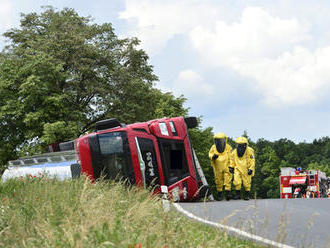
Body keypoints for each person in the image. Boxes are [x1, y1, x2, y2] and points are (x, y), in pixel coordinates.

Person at [209, 133, 233, 201]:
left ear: (225, 140)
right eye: (218, 140)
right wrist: (213, 156)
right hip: (217, 166)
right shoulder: (213, 147)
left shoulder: (228, 147)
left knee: (228, 178)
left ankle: (228, 193)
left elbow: (231, 156)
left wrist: (231, 166)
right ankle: (219, 195)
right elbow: (210, 154)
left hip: (227, 165)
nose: (219, 142)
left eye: (221, 140)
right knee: (218, 180)